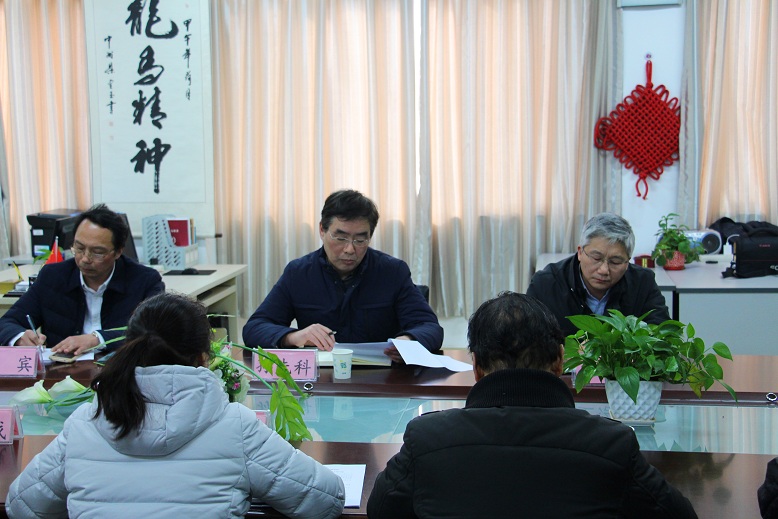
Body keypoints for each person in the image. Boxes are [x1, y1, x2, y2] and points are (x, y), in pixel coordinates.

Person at [5, 292, 345, 518]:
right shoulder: (235, 425)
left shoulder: (86, 420)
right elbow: (324, 501)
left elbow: (21, 505)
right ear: (204, 357)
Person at [367, 292, 697, 518]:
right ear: (560, 361)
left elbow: (380, 510)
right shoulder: (611, 443)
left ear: (476, 367)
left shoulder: (428, 439)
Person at [242, 189, 443, 361]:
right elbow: (255, 328)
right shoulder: (299, 273)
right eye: (340, 238)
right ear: (322, 230)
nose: (349, 249)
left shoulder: (392, 272)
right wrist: (293, 337)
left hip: (382, 378)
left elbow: (430, 327)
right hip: (322, 380)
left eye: (360, 240)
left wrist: (408, 342)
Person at [0, 203, 164, 354]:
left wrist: (98, 339)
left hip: (121, 370)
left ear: (118, 252)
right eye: (79, 248)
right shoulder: (53, 277)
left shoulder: (144, 281)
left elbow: (154, 331)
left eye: (97, 252)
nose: (85, 259)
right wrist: (19, 336)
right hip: (62, 372)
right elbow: (7, 322)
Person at [527, 212, 670, 336]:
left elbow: (662, 334)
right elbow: (529, 342)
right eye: (596, 258)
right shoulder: (546, 284)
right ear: (580, 252)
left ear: (627, 262)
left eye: (615, 262)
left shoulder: (643, 282)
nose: (603, 270)